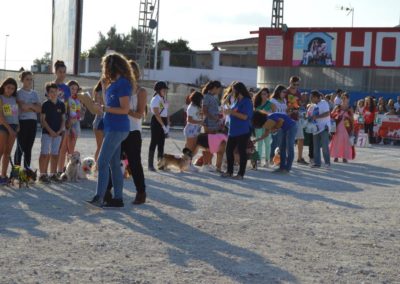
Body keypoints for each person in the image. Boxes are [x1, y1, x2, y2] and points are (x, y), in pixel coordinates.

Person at [87, 52, 134, 207]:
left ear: (112, 66)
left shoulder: (123, 84)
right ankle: (118, 198)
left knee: (102, 162)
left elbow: (125, 109)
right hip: (112, 127)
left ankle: (99, 197)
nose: (104, 69)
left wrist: (106, 108)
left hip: (117, 128)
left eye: (105, 66)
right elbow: (110, 105)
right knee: (114, 164)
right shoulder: (114, 83)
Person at [221, 82, 253, 180]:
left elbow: (245, 117)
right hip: (232, 130)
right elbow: (224, 104)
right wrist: (229, 96)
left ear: (239, 90)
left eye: (233, 89)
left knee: (241, 152)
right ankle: (229, 171)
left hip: (243, 131)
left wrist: (232, 112)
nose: (232, 91)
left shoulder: (247, 101)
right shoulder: (236, 101)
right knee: (229, 151)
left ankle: (241, 174)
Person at [38, 83, 66, 183]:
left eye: (55, 91)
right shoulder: (45, 104)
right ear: (48, 93)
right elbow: (43, 120)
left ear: (58, 92)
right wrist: (50, 131)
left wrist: (59, 131)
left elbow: (63, 120)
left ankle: (53, 174)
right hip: (47, 133)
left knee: (55, 154)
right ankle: (42, 175)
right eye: (51, 92)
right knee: (44, 153)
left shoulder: (61, 104)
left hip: (57, 134)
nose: (54, 94)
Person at [14, 71, 41, 168]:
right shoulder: (18, 92)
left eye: (31, 79)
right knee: (20, 148)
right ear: (22, 80)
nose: (29, 81)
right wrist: (33, 106)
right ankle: (16, 172)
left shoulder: (35, 93)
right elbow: (22, 107)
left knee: (28, 148)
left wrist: (29, 106)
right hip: (22, 122)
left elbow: (39, 109)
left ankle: (26, 172)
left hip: (32, 122)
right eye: (27, 79)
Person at [58, 80, 82, 173]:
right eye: (72, 88)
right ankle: (61, 169)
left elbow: (79, 113)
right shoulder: (66, 99)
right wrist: (69, 123)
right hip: (67, 124)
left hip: (75, 124)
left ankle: (70, 170)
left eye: (76, 89)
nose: (74, 90)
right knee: (63, 148)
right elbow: (65, 112)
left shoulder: (77, 100)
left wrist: (77, 117)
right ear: (68, 88)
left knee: (71, 149)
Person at [53, 60, 71, 176]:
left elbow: (68, 103)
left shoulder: (66, 87)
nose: (63, 74)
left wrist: (69, 118)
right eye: (60, 72)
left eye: (64, 72)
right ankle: (51, 172)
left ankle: (60, 171)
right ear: (55, 72)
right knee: (53, 147)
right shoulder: (51, 86)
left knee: (62, 147)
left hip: (64, 119)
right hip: (53, 118)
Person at [0, 78, 19, 185]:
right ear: (3, 86)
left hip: (13, 126)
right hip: (3, 126)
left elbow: (15, 114)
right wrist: (9, 129)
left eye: (12, 88)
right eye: (8, 87)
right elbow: (1, 116)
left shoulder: (14, 99)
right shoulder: (1, 98)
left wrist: (17, 125)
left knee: (8, 153)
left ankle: (3, 176)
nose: (10, 90)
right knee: (1, 151)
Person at [148, 81, 170, 171]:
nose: (165, 91)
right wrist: (163, 126)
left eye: (165, 89)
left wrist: (167, 125)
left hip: (163, 120)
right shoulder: (155, 99)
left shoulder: (163, 99)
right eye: (163, 89)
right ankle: (150, 165)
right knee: (154, 142)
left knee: (161, 143)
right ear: (158, 90)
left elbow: (166, 112)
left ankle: (160, 165)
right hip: (157, 121)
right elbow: (157, 114)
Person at [201, 80, 222, 171]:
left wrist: (218, 116)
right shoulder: (206, 97)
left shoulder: (213, 97)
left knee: (212, 144)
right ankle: (205, 164)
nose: (219, 91)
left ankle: (209, 163)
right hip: (209, 124)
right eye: (219, 89)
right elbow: (204, 111)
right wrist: (214, 118)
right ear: (214, 88)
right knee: (208, 144)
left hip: (214, 124)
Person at [329, 93, 355, 163]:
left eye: (345, 98)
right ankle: (336, 156)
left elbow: (352, 118)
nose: (344, 99)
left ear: (348, 99)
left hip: (347, 127)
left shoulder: (350, 108)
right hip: (338, 126)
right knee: (337, 141)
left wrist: (352, 128)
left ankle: (345, 157)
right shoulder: (338, 106)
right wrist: (336, 115)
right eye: (342, 98)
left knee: (346, 142)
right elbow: (331, 114)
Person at [253, 88, 275, 167]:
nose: (263, 95)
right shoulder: (257, 103)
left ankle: (267, 161)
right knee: (259, 143)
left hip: (267, 126)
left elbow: (273, 115)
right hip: (258, 126)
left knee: (267, 143)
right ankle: (258, 160)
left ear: (268, 94)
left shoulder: (271, 104)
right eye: (262, 94)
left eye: (265, 94)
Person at [309, 90, 331, 168]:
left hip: (324, 127)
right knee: (316, 147)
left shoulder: (324, 103)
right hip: (315, 128)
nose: (310, 99)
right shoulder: (312, 105)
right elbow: (310, 115)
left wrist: (317, 117)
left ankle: (327, 163)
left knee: (325, 147)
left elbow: (327, 113)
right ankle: (317, 163)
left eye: (311, 97)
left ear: (316, 97)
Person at [184, 91, 203, 171]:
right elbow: (189, 119)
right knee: (189, 148)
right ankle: (187, 164)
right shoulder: (191, 107)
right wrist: (199, 122)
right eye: (201, 99)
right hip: (191, 128)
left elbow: (197, 116)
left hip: (195, 128)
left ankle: (189, 163)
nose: (202, 101)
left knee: (193, 147)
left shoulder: (196, 106)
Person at [91, 80, 104, 167]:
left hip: (100, 121)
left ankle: (98, 165)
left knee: (101, 146)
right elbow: (102, 104)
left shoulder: (98, 92)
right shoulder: (100, 93)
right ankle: (97, 166)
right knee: (100, 146)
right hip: (99, 121)